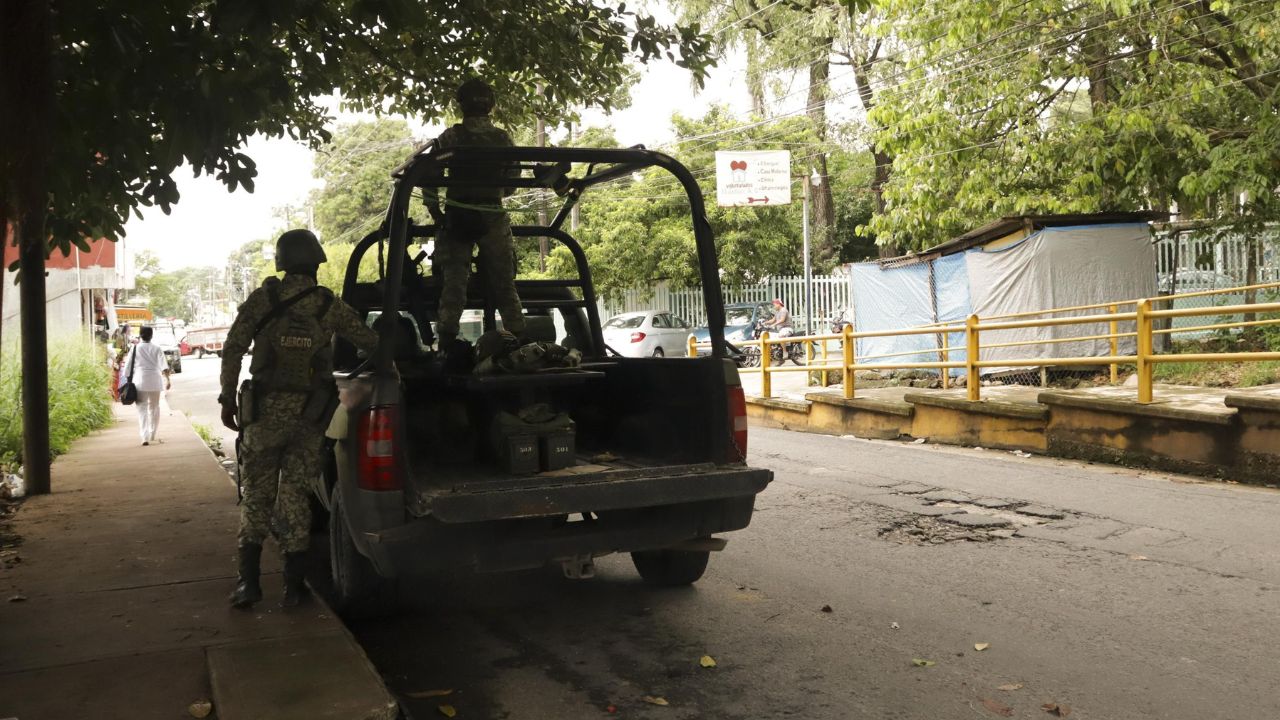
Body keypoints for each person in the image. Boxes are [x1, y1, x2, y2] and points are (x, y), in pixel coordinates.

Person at [218, 229, 380, 609]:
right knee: (295, 496)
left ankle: (249, 585)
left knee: (257, 496)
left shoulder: (264, 299)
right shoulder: (328, 305)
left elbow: (233, 348)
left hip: (262, 417)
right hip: (309, 418)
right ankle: (294, 588)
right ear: (316, 263)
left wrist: (228, 398)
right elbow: (371, 343)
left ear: (282, 262)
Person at [430, 77, 526, 354]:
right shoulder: (502, 138)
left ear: (461, 105)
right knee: (504, 283)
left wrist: (436, 212)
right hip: (492, 215)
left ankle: (447, 342)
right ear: (491, 105)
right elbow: (512, 180)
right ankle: (519, 339)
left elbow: (428, 174)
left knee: (454, 283)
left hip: (457, 214)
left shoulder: (451, 137)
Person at [118, 325, 171, 445]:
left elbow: (127, 368)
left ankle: (144, 437)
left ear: (140, 335)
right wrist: (168, 380)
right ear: (151, 335)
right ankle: (152, 433)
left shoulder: (135, 348)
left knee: (142, 409)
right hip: (155, 381)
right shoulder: (157, 348)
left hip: (140, 381)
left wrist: (126, 379)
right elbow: (164, 366)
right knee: (155, 407)